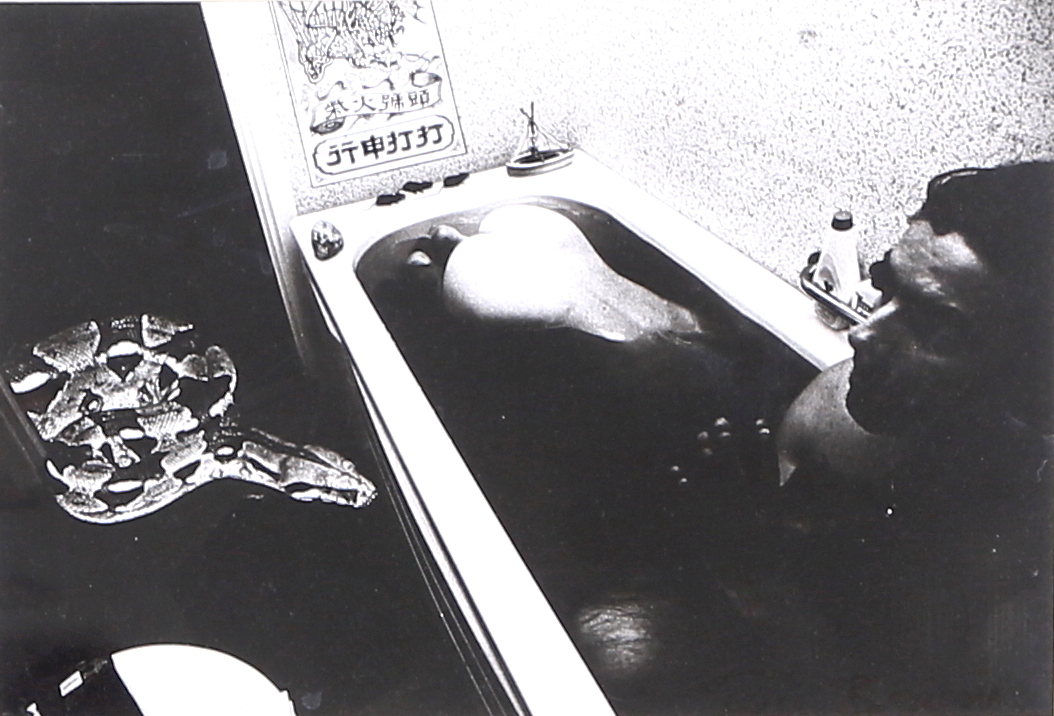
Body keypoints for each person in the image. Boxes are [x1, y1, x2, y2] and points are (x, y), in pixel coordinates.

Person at [775, 162, 1053, 711]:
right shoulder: (833, 417)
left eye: (937, 329)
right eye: (887, 289)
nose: (862, 334)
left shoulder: (1026, 610)